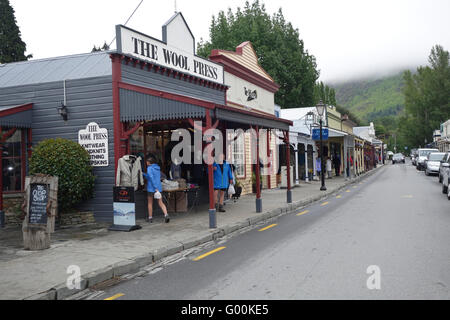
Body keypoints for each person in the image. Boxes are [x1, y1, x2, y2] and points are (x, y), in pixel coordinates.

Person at [143, 154, 170, 224]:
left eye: (147, 161)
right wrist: (144, 174)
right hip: (159, 188)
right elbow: (152, 177)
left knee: (150, 203)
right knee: (161, 202)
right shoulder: (157, 168)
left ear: (149, 162)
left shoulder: (149, 168)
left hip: (151, 188)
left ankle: (150, 218)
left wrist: (155, 188)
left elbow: (151, 178)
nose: (146, 162)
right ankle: (166, 215)